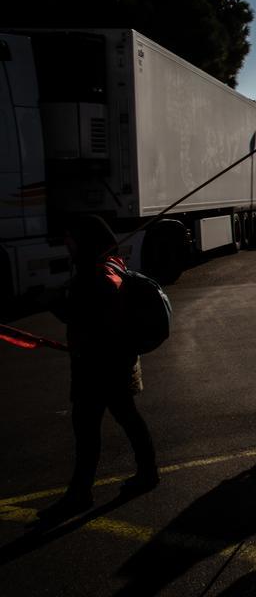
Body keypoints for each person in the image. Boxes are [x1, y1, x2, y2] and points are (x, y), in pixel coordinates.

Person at [39, 214, 158, 524]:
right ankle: (147, 473)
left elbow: (83, 316)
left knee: (87, 429)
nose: (67, 243)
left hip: (95, 364)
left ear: (85, 240)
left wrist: (55, 303)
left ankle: (80, 494)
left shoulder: (92, 275)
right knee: (126, 417)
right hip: (115, 359)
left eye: (70, 238)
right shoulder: (112, 264)